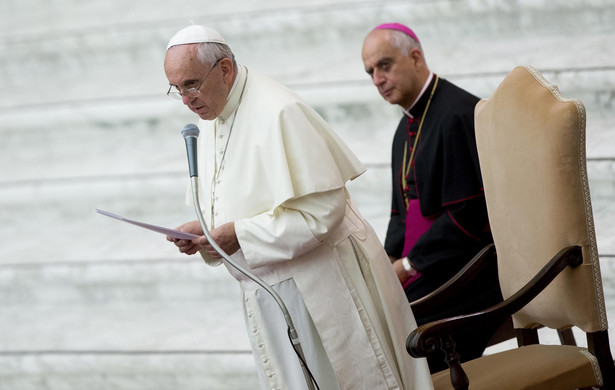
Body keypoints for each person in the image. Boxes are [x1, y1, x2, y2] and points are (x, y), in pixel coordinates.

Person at [163, 25, 433, 390]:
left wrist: (237, 235)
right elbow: (237, 204)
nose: (185, 99)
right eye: (177, 88)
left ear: (225, 69)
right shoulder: (213, 115)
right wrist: (204, 231)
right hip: (271, 296)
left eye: (191, 84)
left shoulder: (279, 111)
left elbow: (321, 212)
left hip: (320, 290)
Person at [361, 23, 503, 372]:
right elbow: (400, 215)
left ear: (416, 57)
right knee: (365, 311)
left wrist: (408, 266)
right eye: (370, 72)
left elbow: (470, 216)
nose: (377, 79)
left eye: (385, 65)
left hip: (471, 270)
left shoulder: (458, 113)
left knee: (393, 323)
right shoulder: (402, 130)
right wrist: (382, 266)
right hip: (428, 266)